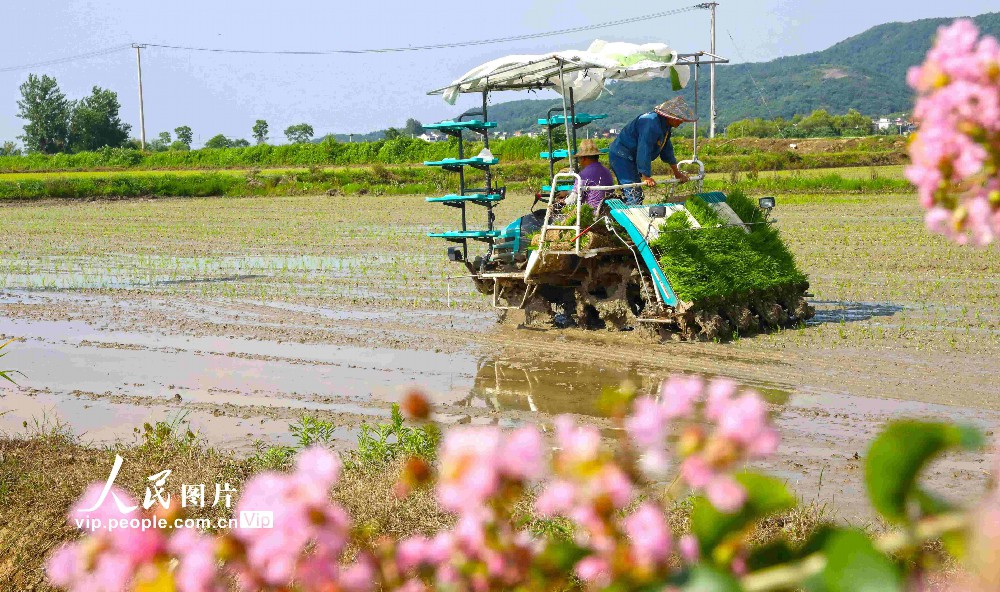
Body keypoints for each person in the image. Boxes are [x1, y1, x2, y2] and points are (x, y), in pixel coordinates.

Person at [608, 96, 697, 204]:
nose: (681, 122)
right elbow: (644, 149)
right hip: (621, 156)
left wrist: (676, 172)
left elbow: (667, 149)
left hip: (632, 157)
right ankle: (630, 218)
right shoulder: (650, 123)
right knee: (633, 195)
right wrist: (646, 176)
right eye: (679, 118)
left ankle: (623, 213)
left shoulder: (665, 127)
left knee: (635, 194)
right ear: (670, 116)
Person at [574, 139, 614, 210]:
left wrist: (563, 201)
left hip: (592, 212)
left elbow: (574, 197)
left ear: (583, 158)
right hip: (607, 210)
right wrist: (567, 192)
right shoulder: (607, 171)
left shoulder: (583, 175)